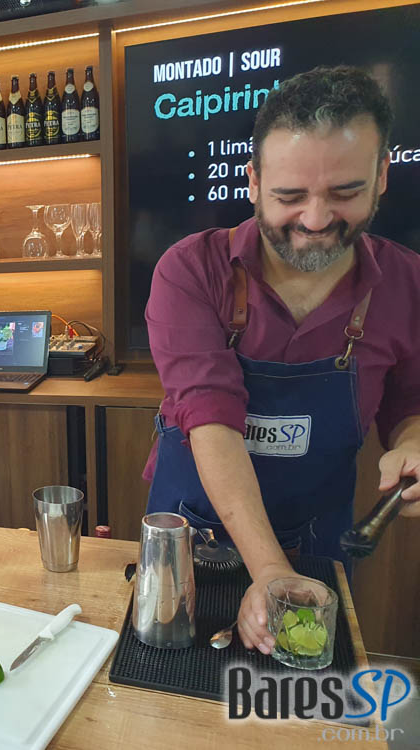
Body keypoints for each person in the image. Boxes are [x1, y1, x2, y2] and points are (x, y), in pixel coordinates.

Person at [144, 67, 420, 656]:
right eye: (290, 197)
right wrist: (269, 569)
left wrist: (414, 442)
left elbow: (410, 404)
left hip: (318, 543)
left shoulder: (408, 284)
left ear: (381, 176)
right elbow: (212, 419)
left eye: (344, 193)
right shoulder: (192, 271)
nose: (315, 221)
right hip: (190, 542)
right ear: (253, 181)